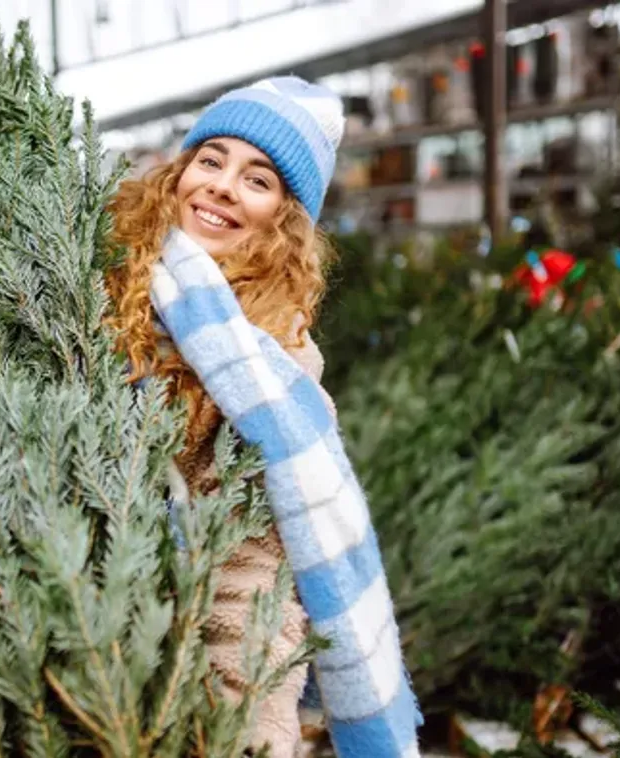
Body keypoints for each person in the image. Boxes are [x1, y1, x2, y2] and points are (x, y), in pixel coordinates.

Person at [104, 77, 420, 757]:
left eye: (256, 179)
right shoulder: (95, 291)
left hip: (171, 674)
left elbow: (252, 572)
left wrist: (234, 722)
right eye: (210, 160)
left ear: (282, 215)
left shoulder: (272, 377)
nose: (220, 186)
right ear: (179, 172)